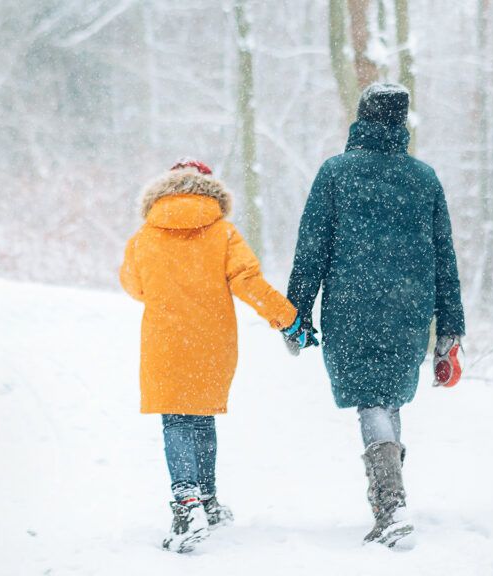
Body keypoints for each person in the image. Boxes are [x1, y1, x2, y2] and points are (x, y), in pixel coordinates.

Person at [285, 83, 466, 548]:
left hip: (352, 303)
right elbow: (445, 258)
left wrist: (297, 311)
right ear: (401, 123)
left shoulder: (336, 173)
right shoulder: (424, 178)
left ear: (362, 117)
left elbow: (312, 249)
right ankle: (391, 498)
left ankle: (390, 507)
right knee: (387, 398)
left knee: (371, 399)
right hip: (410, 307)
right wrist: (449, 328)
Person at [119, 159, 304, 553]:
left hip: (166, 341)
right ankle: (208, 502)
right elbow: (248, 282)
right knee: (200, 418)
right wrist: (288, 320)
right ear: (208, 189)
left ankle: (188, 506)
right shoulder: (223, 232)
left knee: (176, 419)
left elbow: (134, 287)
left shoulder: (144, 237)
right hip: (212, 342)